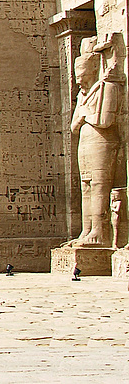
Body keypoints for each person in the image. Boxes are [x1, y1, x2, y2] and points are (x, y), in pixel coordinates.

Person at [70, 35, 123, 248]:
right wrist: (85, 114)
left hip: (103, 143)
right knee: (86, 187)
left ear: (93, 69)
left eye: (82, 74)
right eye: (77, 75)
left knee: (100, 186)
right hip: (85, 144)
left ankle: (100, 233)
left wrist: (85, 115)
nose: (78, 80)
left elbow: (106, 120)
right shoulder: (82, 96)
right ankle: (87, 230)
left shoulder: (106, 88)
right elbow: (74, 126)